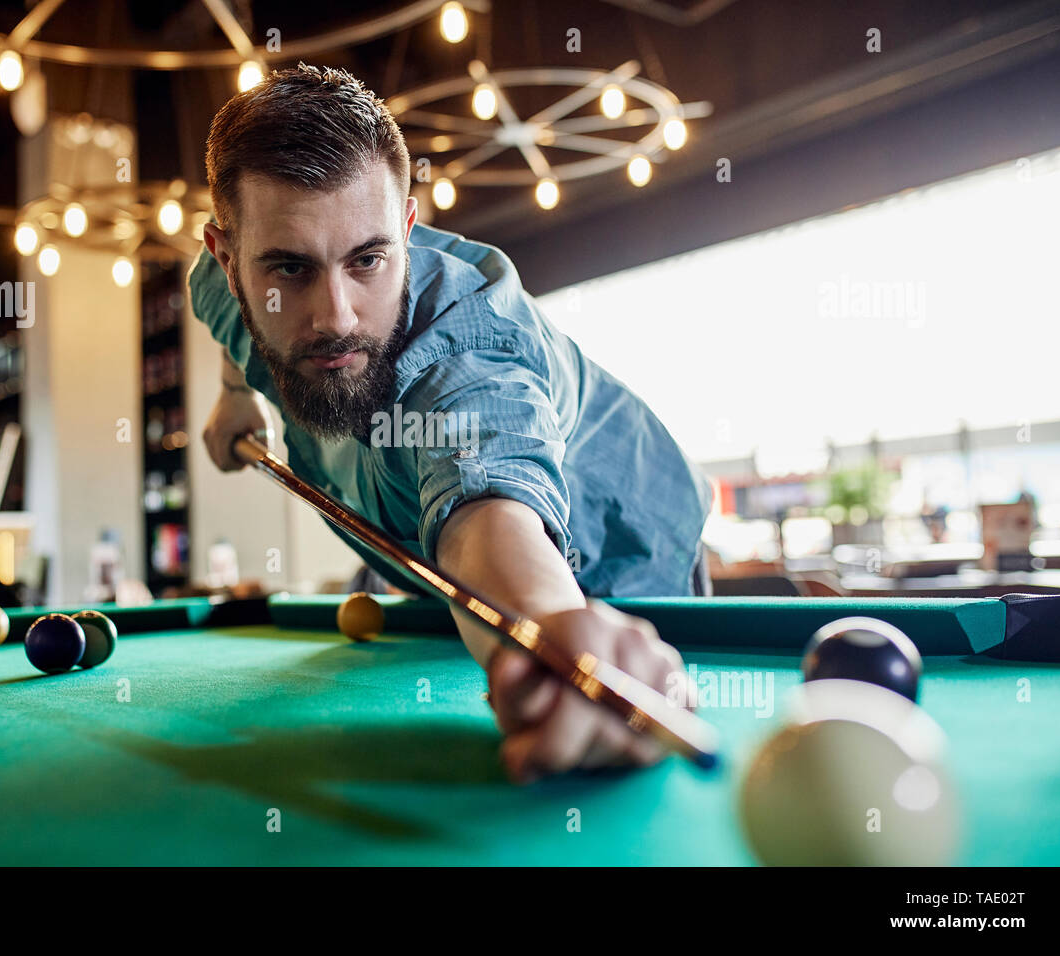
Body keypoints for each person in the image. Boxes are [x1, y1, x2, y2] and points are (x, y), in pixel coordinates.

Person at [195, 64, 712, 783]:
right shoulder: (224, 295)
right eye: (289, 270)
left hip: (620, 560)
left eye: (369, 259)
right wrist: (236, 394)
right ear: (228, 261)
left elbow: (485, 518)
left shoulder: (465, 356)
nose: (337, 316)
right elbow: (229, 329)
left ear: (408, 230)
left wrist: (549, 622)